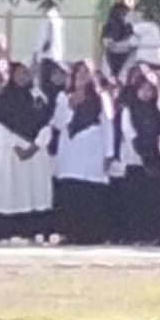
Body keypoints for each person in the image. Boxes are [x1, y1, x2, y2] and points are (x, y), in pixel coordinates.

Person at [0, 62, 53, 241]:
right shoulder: (3, 99)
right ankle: (9, 231)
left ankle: (34, 231)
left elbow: (47, 123)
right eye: (19, 73)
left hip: (35, 153)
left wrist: (35, 146)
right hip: (12, 153)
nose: (23, 77)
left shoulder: (37, 98)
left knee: (34, 190)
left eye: (26, 73)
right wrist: (16, 145)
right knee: (12, 190)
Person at [51, 64, 115, 244]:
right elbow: (57, 122)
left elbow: (107, 124)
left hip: (92, 147)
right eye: (79, 73)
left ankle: (91, 234)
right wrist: (71, 105)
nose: (82, 76)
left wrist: (109, 153)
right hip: (71, 149)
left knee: (90, 192)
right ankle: (70, 232)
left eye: (86, 73)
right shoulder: (63, 97)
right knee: (71, 191)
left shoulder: (101, 97)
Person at [116, 69, 160, 245]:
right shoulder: (129, 109)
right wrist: (142, 152)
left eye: (150, 90)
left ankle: (152, 234)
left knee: (151, 199)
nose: (146, 93)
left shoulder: (155, 111)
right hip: (135, 158)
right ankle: (134, 234)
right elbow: (129, 132)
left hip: (153, 159)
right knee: (135, 199)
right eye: (143, 89)